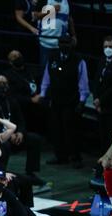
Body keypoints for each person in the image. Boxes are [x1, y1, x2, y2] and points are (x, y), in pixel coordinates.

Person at [0, 75, 45, 185]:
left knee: (34, 139)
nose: (1, 86)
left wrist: (20, 132)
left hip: (13, 134)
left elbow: (21, 119)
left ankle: (31, 173)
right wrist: (6, 134)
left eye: (4, 83)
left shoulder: (11, 100)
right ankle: (2, 173)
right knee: (5, 144)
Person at [40, 36, 90, 169]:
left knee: (71, 130)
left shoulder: (78, 60)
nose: (64, 45)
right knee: (56, 129)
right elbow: (46, 77)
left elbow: (83, 82)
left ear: (71, 44)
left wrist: (82, 101)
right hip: (56, 100)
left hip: (72, 100)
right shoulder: (53, 58)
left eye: (66, 43)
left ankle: (75, 157)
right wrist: (43, 94)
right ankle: (60, 156)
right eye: (62, 43)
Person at [3, 51, 44, 134]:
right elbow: (12, 95)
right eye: (14, 57)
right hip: (23, 107)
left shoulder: (32, 70)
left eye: (19, 55)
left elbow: (42, 83)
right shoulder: (8, 75)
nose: (17, 58)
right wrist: (30, 100)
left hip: (39, 103)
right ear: (10, 62)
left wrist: (41, 94)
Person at [33, 0, 77, 67]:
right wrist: (51, 10)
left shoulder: (67, 2)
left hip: (62, 43)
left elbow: (70, 19)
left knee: (61, 69)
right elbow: (35, 16)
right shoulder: (44, 1)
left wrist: (73, 35)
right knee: (45, 68)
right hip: (46, 42)